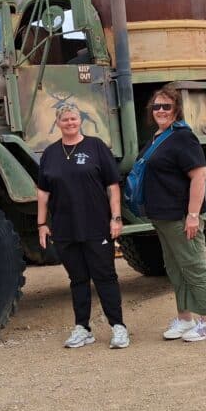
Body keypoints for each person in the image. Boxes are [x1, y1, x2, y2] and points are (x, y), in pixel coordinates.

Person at [37, 103, 128, 349]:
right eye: (65, 119)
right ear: (58, 123)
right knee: (77, 279)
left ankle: (118, 327)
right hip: (65, 227)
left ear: (80, 121)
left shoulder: (95, 146)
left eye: (74, 119)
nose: (70, 123)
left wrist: (116, 217)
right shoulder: (50, 153)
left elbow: (112, 185)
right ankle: (82, 328)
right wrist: (42, 224)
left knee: (105, 276)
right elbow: (43, 192)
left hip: (97, 224)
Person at [141, 88, 206, 342]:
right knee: (176, 270)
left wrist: (193, 215)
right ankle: (185, 319)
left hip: (181, 217)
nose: (161, 111)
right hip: (164, 218)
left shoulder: (182, 137)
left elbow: (199, 175)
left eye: (166, 107)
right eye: (157, 107)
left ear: (176, 110)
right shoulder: (157, 137)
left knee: (194, 268)